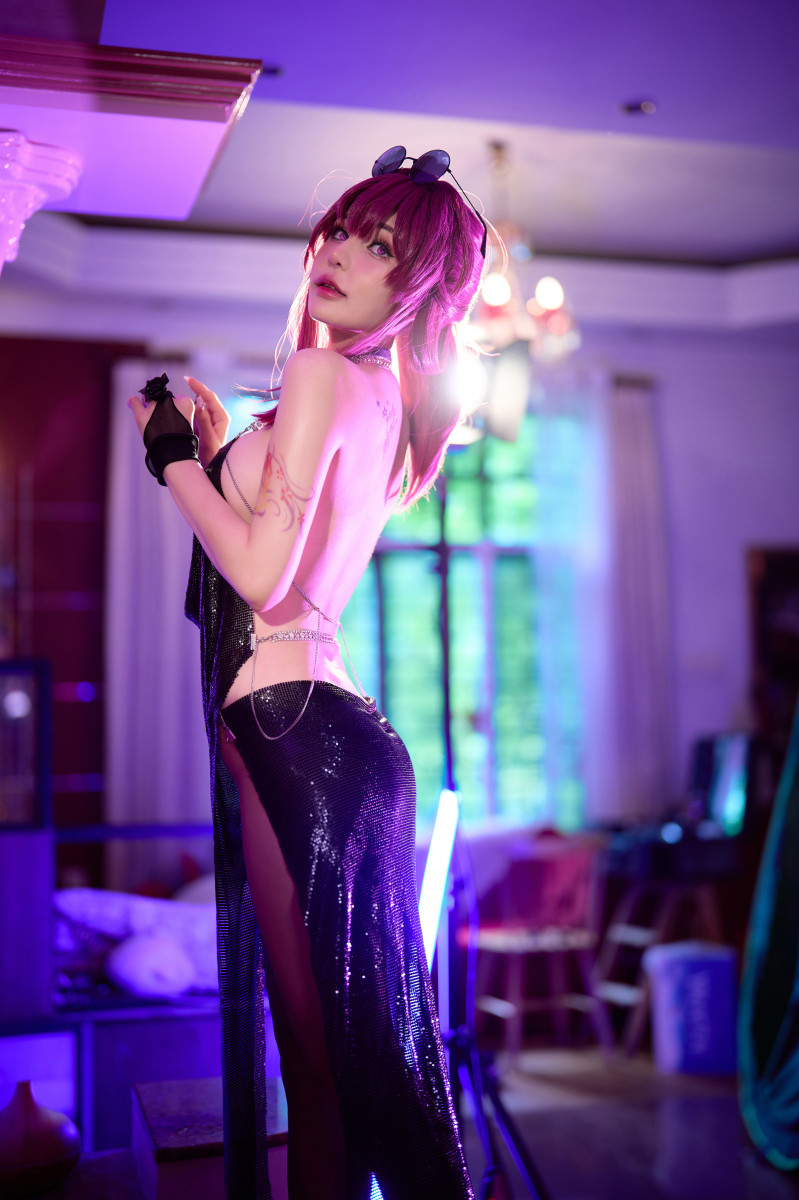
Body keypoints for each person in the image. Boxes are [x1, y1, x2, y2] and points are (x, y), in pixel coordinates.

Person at [128, 148, 487, 1200]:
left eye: (379, 246)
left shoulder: (326, 374)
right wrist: (216, 453)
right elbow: (274, 564)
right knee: (330, 1063)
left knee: (327, 1062)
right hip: (321, 729)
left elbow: (257, 575)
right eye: (339, 229)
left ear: (416, 285)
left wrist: (174, 462)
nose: (337, 253)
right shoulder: (374, 397)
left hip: (299, 733)